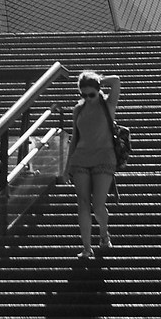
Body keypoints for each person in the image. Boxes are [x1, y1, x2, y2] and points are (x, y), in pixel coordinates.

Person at [64, 70, 123, 259]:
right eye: (83, 95)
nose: (88, 98)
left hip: (104, 158)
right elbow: (74, 139)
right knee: (82, 203)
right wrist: (66, 168)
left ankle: (104, 233)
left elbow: (116, 81)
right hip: (80, 158)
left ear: (98, 91)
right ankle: (87, 247)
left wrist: (98, 80)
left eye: (91, 94)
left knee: (98, 206)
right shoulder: (78, 110)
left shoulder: (108, 105)